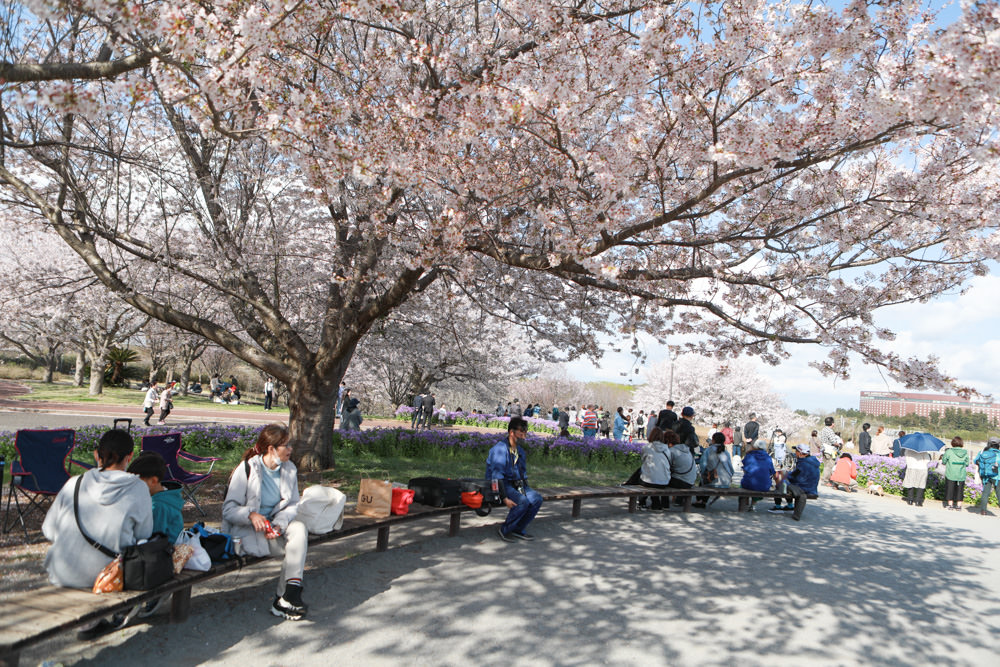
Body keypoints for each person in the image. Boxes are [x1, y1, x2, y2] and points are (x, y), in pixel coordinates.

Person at [42, 429, 152, 590]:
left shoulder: (74, 483)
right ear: (130, 456)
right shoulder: (138, 488)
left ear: (96, 455)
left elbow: (48, 529)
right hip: (109, 577)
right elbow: (144, 535)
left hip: (62, 573)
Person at [222, 424, 310, 620]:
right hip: (247, 532)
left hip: (273, 529)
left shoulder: (289, 469)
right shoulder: (247, 469)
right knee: (295, 549)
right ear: (271, 449)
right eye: (286, 446)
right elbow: (228, 510)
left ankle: (290, 593)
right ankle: (283, 599)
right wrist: (251, 515)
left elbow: (293, 504)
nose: (290, 450)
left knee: (299, 529)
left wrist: (278, 524)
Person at [487, 417, 543, 542]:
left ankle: (518, 528)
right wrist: (504, 498)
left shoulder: (520, 451)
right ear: (511, 433)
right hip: (501, 485)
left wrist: (525, 488)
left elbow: (522, 473)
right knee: (522, 501)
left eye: (525, 434)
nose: (524, 437)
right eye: (521, 434)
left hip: (516, 484)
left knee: (536, 499)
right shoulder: (500, 450)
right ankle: (505, 529)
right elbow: (496, 477)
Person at [127, 451, 184, 544]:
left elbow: (152, 538)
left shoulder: (158, 506)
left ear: (153, 481)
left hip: (163, 552)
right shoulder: (165, 496)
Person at [768, 443, 820, 520]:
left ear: (801, 453)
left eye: (796, 451)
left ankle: (778, 506)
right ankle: (789, 505)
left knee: (779, 478)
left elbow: (794, 477)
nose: (795, 453)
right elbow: (797, 475)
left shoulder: (803, 464)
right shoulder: (812, 461)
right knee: (783, 477)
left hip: (803, 488)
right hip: (812, 488)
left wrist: (783, 475)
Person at [625, 426, 671, 510]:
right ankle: (656, 504)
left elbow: (643, 460)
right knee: (654, 480)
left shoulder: (647, 447)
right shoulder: (667, 449)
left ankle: (642, 502)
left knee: (644, 475)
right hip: (664, 482)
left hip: (648, 481)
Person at [741, 439, 775, 512]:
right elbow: (772, 471)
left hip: (749, 484)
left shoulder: (749, 455)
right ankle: (753, 505)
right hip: (764, 486)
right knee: (760, 482)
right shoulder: (768, 457)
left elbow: (744, 466)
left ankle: (744, 504)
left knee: (745, 482)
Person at [941, 436, 970, 511]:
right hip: (961, 474)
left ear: (952, 443)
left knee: (950, 489)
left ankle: (950, 505)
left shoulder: (949, 452)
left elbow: (943, 461)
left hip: (950, 473)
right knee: (960, 490)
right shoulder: (965, 452)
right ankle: (959, 506)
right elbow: (967, 464)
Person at [974, 437, 1000, 515]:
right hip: (997, 476)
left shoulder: (982, 452)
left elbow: (975, 461)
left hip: (985, 476)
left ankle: (983, 511)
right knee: (999, 493)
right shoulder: (998, 453)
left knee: (985, 493)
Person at [819, 417, 839, 486]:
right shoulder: (830, 430)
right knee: (829, 466)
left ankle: (828, 480)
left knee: (826, 465)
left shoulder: (823, 429)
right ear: (832, 423)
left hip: (824, 450)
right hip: (830, 450)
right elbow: (833, 441)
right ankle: (826, 481)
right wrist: (838, 444)